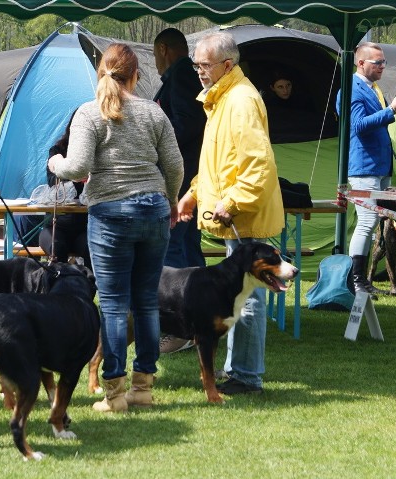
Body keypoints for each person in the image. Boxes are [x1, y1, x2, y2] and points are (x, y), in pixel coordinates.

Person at [48, 43, 183, 412]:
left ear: (100, 73)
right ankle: (143, 389)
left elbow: (76, 168)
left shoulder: (89, 113)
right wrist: (170, 201)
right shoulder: (154, 113)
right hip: (153, 210)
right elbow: (174, 167)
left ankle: (114, 395)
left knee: (112, 306)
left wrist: (56, 162)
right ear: (136, 75)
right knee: (146, 304)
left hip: (110, 214)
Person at [176, 31, 284, 396]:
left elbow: (258, 165)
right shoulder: (223, 99)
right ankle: (238, 371)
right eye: (196, 64)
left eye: (204, 65)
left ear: (227, 65)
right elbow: (216, 164)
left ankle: (247, 377)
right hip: (235, 218)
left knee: (248, 300)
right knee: (236, 299)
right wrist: (193, 194)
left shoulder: (240, 100)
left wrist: (233, 202)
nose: (199, 71)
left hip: (244, 220)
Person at [336, 42, 396, 296]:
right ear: (360, 63)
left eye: (383, 62)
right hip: (363, 168)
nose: (382, 66)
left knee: (372, 224)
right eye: (377, 62)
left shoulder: (373, 87)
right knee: (367, 222)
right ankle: (356, 280)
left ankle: (361, 280)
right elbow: (357, 126)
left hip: (379, 166)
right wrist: (392, 110)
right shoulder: (352, 89)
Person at [152, 27, 206, 354]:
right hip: (187, 176)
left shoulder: (183, 75)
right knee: (185, 247)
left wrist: (158, 141)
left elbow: (188, 124)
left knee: (176, 249)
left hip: (182, 178)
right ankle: (198, 322)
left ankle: (180, 326)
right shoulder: (183, 76)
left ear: (163, 49)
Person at [38, 113, 90, 266]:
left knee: (91, 248)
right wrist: (72, 174)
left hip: (85, 227)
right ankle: (56, 287)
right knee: (57, 247)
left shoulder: (95, 155)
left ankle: (87, 288)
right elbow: (52, 181)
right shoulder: (57, 151)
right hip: (57, 226)